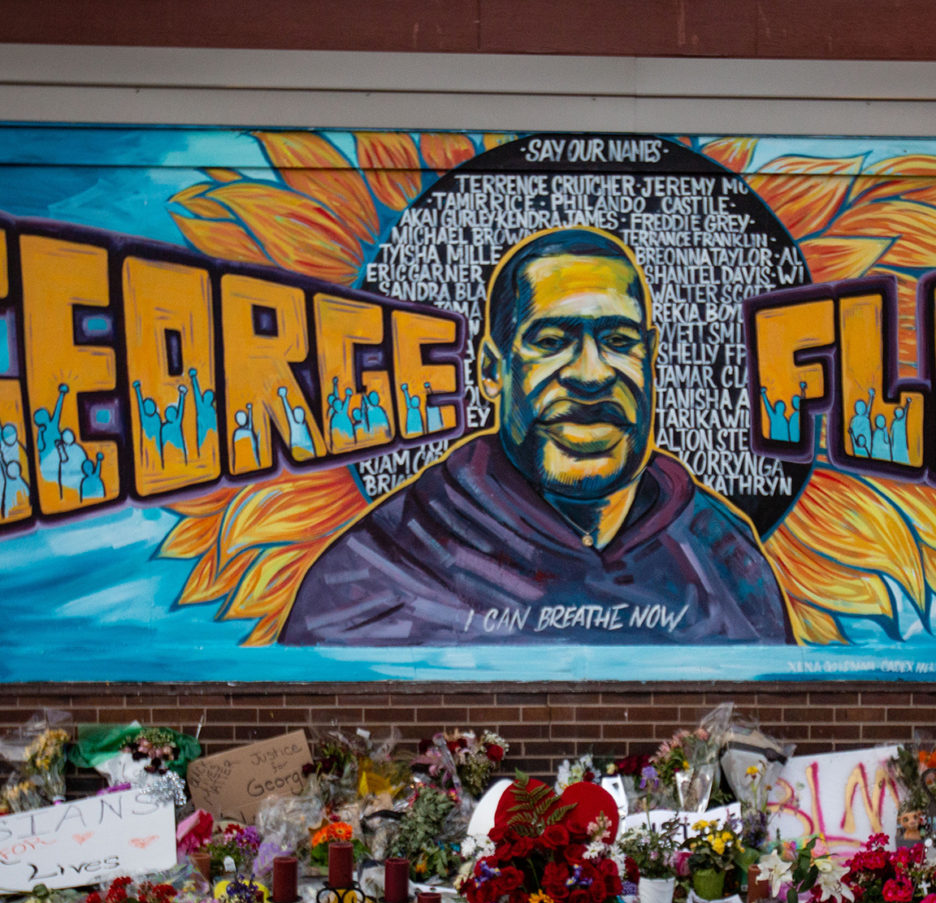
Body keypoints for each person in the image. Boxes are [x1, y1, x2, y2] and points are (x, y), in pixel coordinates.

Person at [284, 226, 791, 646]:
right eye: (551, 341)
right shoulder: (379, 569)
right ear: (490, 370)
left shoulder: (722, 557)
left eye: (619, 341)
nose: (592, 375)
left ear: (650, 357)